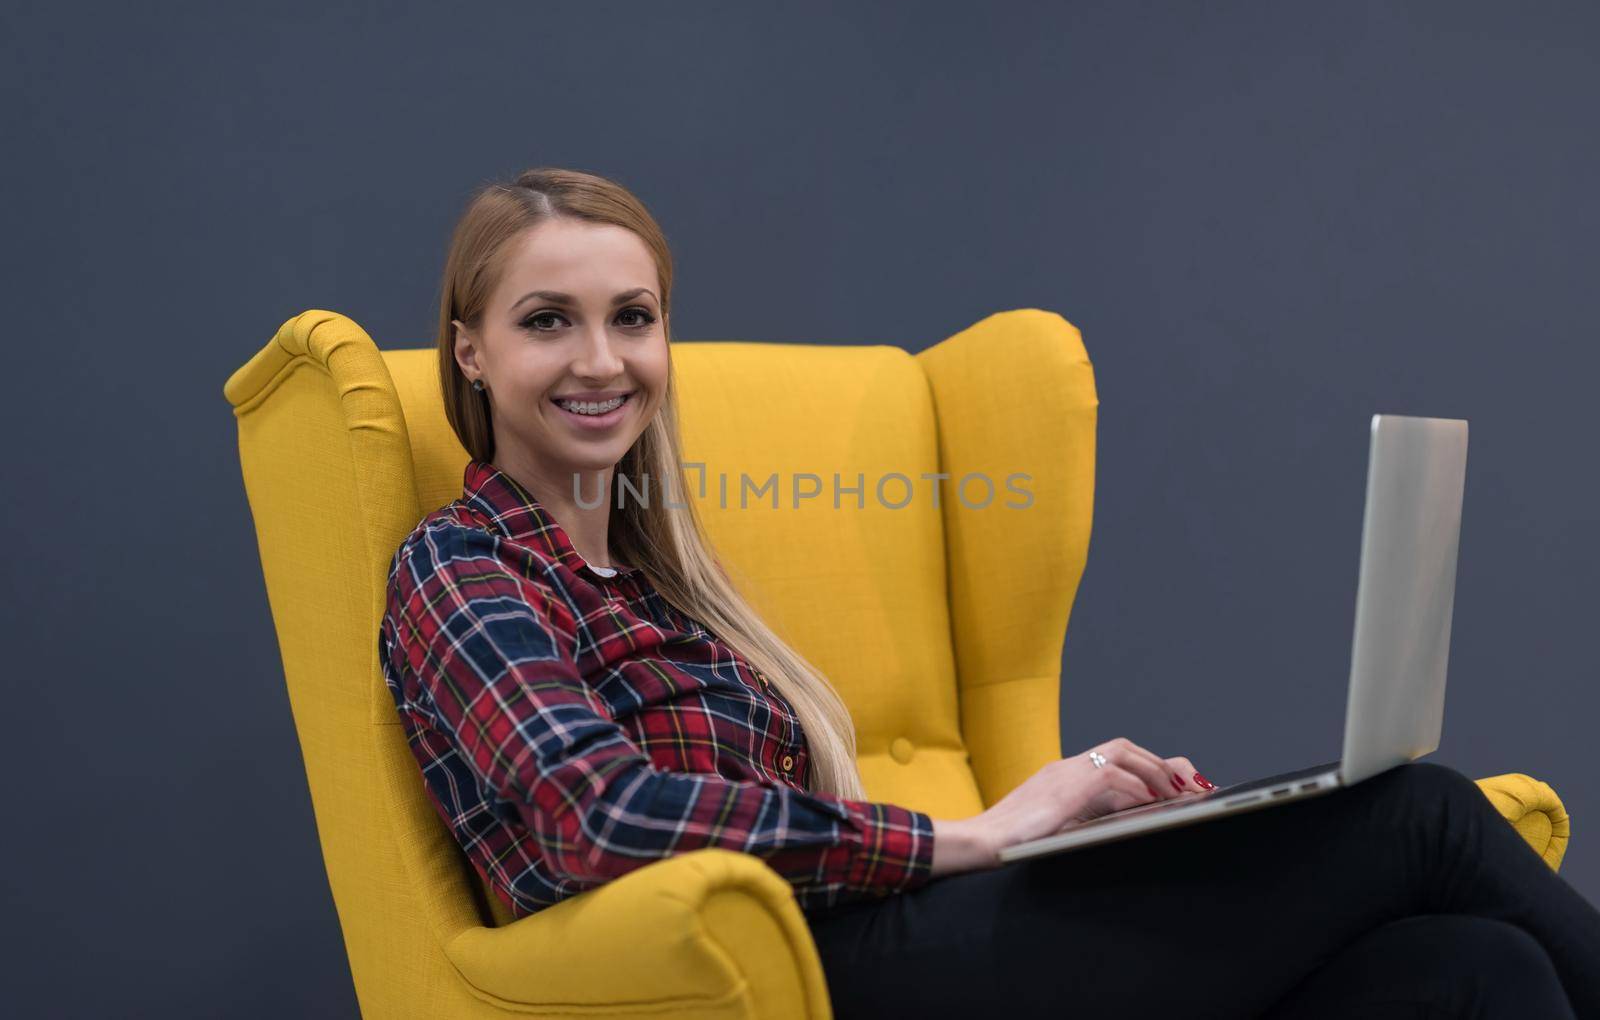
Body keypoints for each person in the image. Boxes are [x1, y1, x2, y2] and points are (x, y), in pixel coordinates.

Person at [378, 166, 1600, 1018]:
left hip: (909, 943)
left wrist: (1089, 823)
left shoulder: (662, 585)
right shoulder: (463, 564)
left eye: (631, 318)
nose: (602, 359)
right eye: (550, 321)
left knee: (1477, 968)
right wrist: (976, 836)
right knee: (1417, 818)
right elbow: (591, 817)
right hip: (813, 977)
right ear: (471, 349)